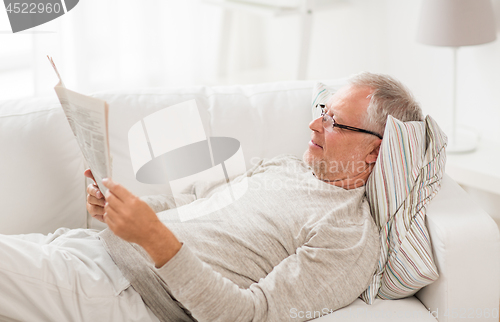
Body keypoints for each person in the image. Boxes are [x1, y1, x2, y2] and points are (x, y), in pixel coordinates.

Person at [0, 72, 423, 322]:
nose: (314, 125)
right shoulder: (285, 166)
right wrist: (122, 209)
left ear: (374, 152)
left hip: (123, 292)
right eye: (321, 111)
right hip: (84, 248)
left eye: (335, 122)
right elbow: (192, 209)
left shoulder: (347, 236)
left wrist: (152, 239)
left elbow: (249, 316)